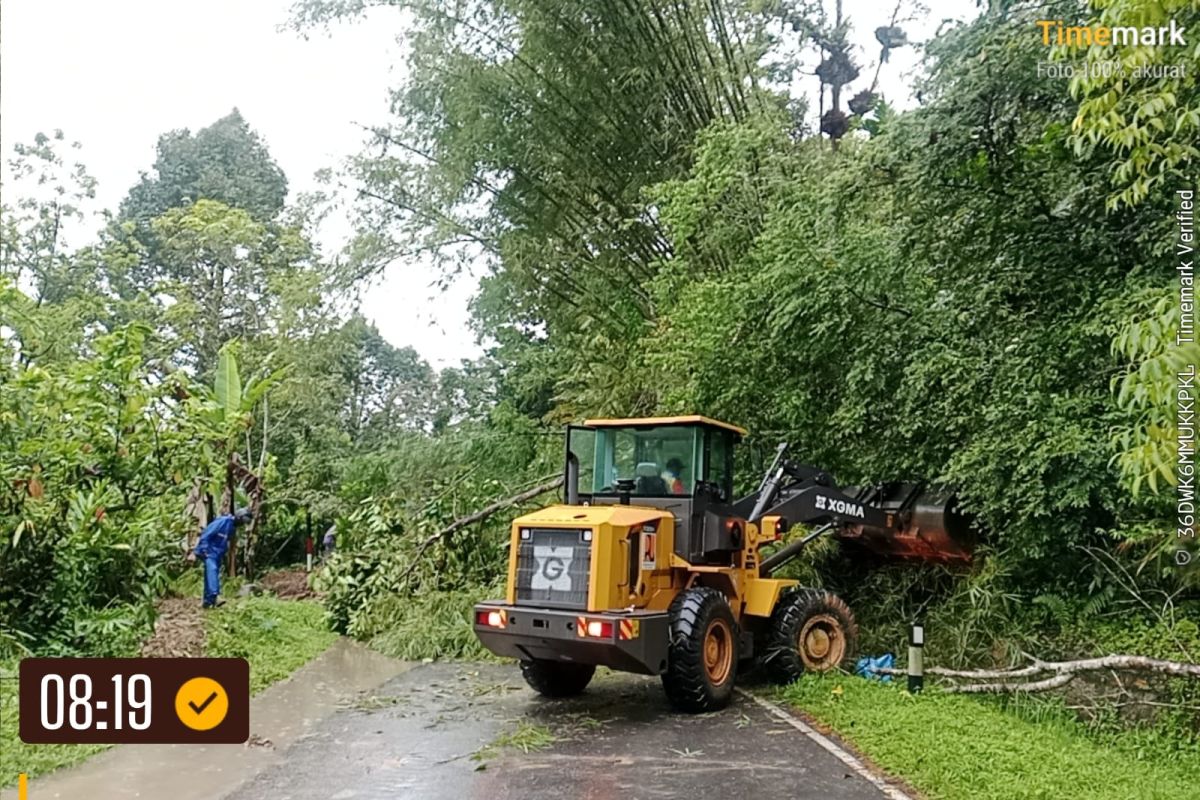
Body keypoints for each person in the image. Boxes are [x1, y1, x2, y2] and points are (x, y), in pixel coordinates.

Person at [188, 507, 252, 609]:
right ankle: (215, 595)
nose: (243, 524)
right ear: (239, 516)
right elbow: (207, 534)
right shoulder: (223, 521)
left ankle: (208, 601)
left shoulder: (232, 527)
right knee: (212, 571)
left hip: (217, 554)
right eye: (243, 521)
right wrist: (202, 550)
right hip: (209, 551)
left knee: (210, 574)